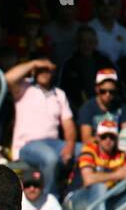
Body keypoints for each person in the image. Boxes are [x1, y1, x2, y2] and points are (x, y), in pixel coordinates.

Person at [5, 58, 76, 193]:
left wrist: (70, 146)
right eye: (40, 70)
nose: (44, 73)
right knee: (50, 158)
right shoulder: (24, 87)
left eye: (47, 70)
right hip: (27, 145)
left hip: (55, 143)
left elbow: (69, 124)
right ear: (34, 71)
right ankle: (49, 200)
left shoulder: (59, 94)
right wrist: (34, 63)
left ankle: (73, 195)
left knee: (84, 150)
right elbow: (8, 78)